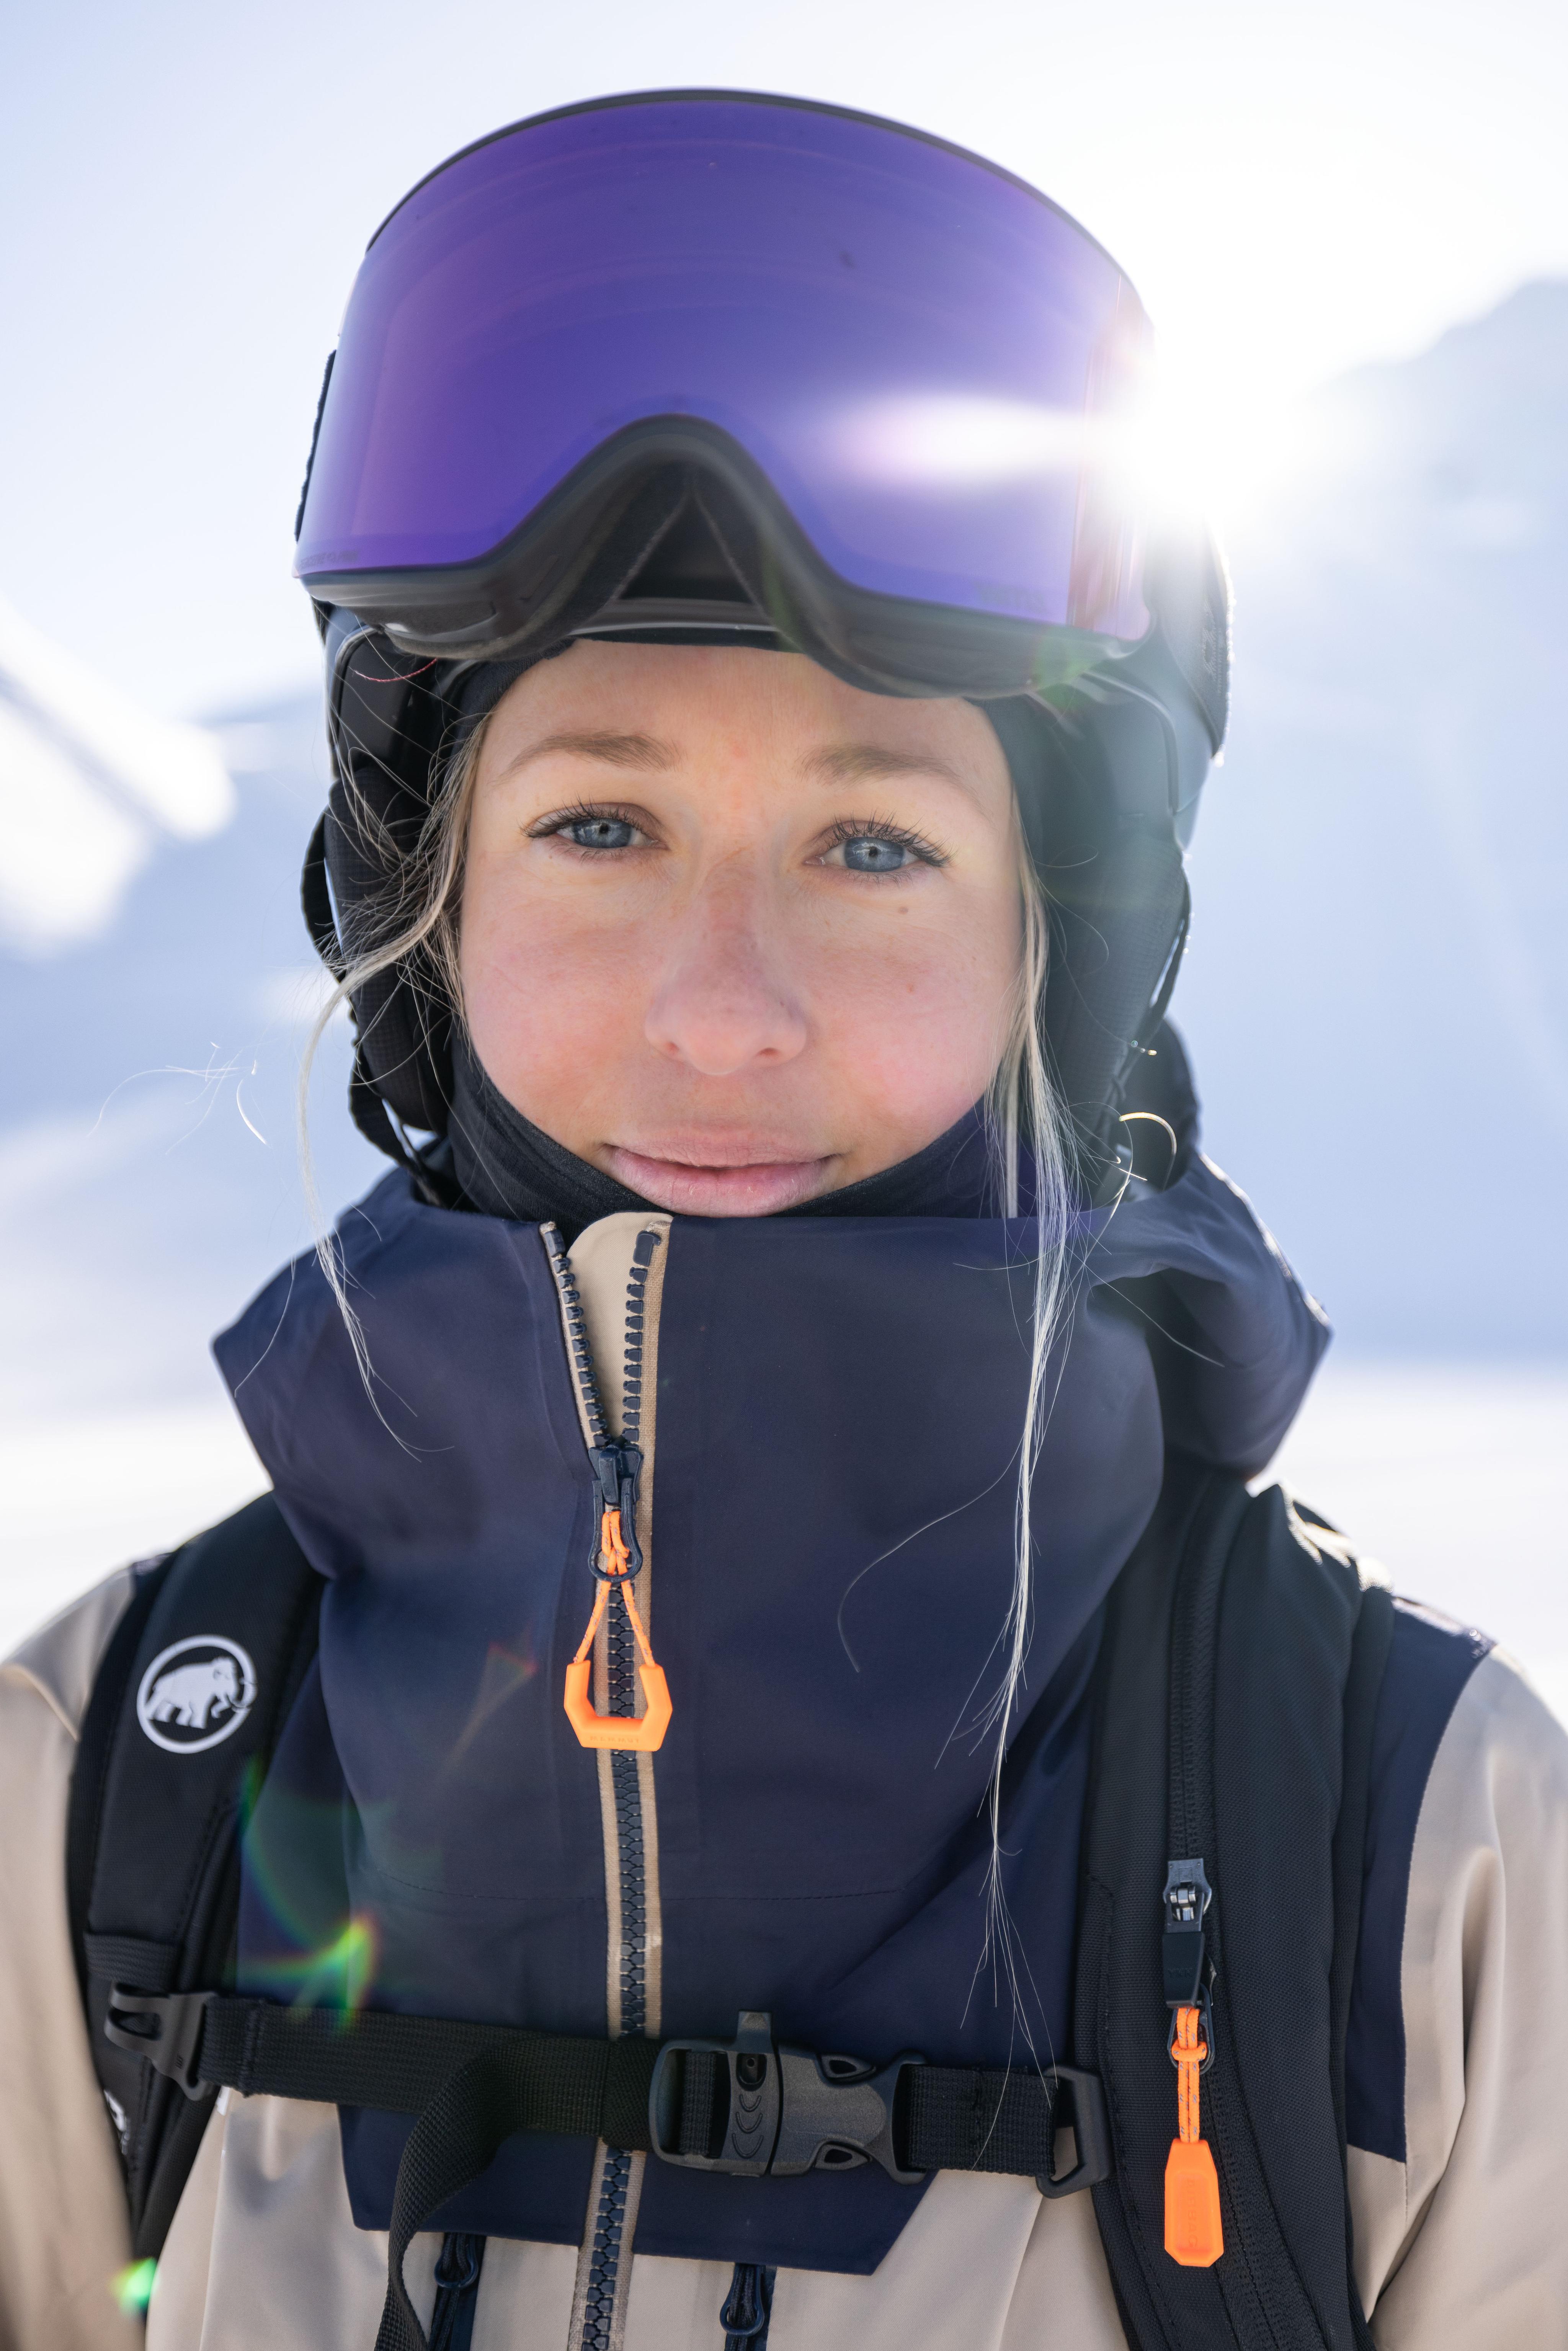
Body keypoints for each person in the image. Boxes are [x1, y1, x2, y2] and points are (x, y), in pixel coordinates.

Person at [2, 89, 1565, 2351]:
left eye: (873, 847)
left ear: (1064, 942)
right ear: (421, 913)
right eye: (601, 827)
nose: (725, 1017)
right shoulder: (99, 1795)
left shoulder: (1436, 1863)